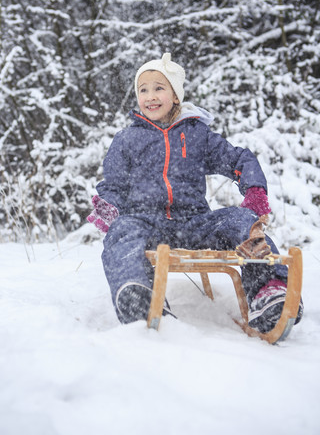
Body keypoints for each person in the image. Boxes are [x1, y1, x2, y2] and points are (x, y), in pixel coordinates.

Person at [87, 53, 303, 332]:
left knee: (240, 220)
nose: (150, 96)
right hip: (148, 223)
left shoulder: (197, 135)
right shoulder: (127, 140)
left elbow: (240, 160)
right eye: (143, 89)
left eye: (159, 88)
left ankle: (270, 292)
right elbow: (114, 184)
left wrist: (255, 190)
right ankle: (137, 294)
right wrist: (109, 207)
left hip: (195, 224)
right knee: (122, 229)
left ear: (175, 95)